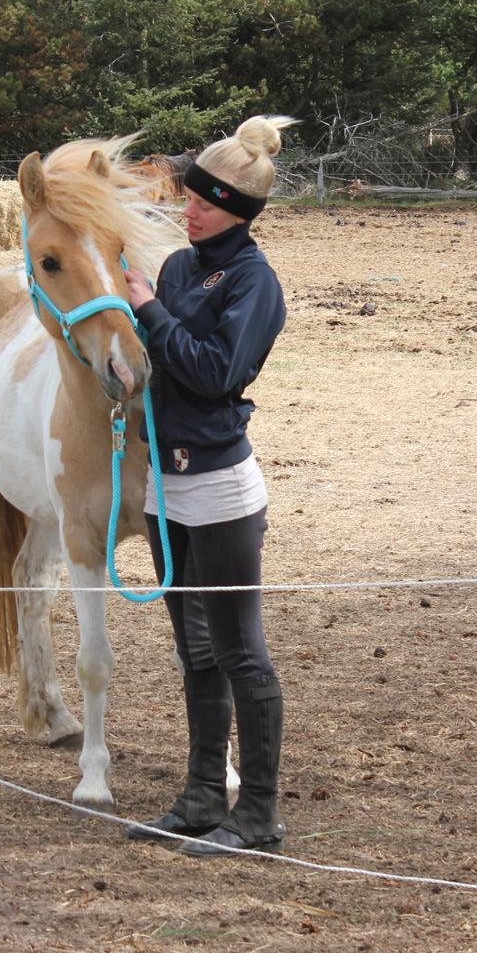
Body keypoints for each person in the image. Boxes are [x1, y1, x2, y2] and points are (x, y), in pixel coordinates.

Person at [123, 115, 294, 857]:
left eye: (202, 202)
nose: (186, 210)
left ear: (239, 209)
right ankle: (200, 796)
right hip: (167, 481)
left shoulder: (254, 283)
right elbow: (168, 365)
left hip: (221, 489)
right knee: (192, 649)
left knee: (237, 650)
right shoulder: (178, 267)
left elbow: (217, 372)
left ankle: (257, 814)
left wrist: (150, 314)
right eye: (187, 197)